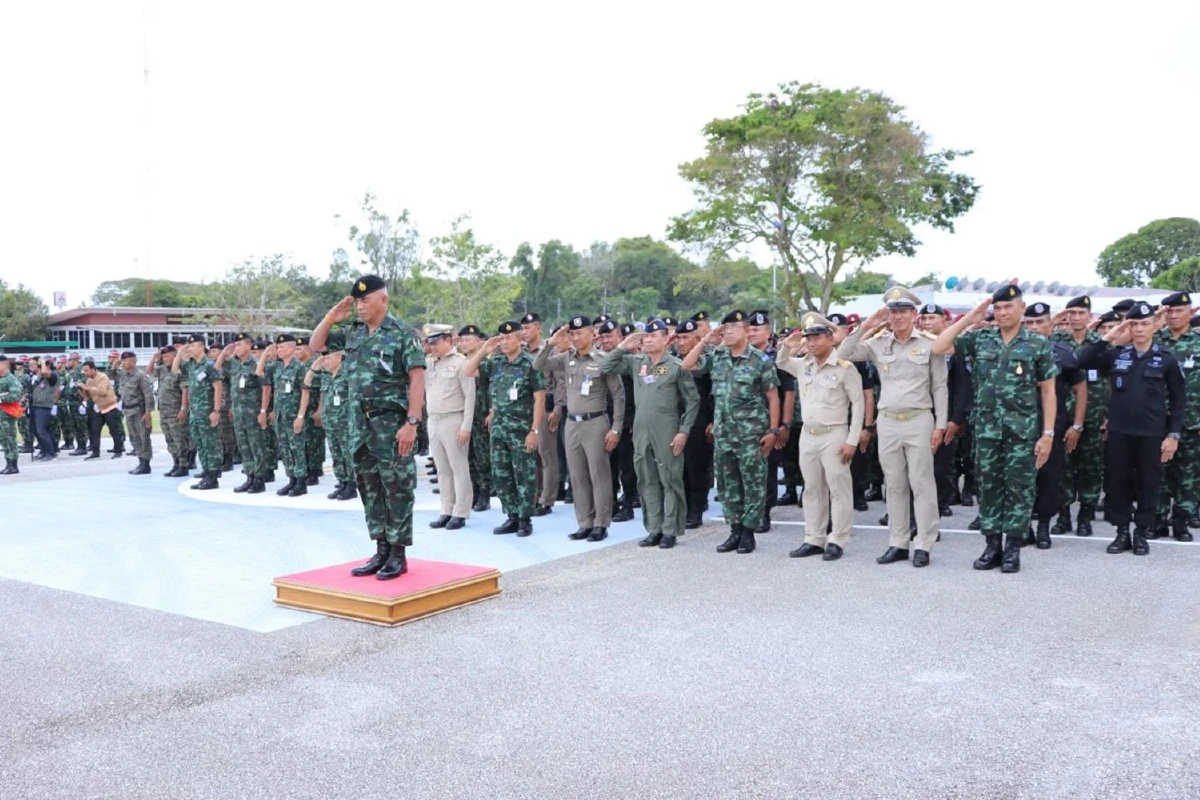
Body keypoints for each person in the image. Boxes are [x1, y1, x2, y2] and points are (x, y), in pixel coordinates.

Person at [932, 284, 1058, 574]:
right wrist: (970, 318)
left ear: (1021, 309)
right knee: (988, 488)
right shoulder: (980, 338)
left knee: (1020, 490)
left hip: (1022, 432)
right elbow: (939, 346)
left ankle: (1013, 549)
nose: (1001, 313)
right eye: (997, 308)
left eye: (1007, 307)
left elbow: (1049, 392)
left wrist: (1047, 434)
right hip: (987, 431)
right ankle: (992, 547)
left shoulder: (1037, 344)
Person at [311, 275, 426, 580]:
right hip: (358, 426)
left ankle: (398, 553)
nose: (360, 307)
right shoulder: (354, 334)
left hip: (391, 425)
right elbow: (315, 345)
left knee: (397, 487)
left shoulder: (403, 334)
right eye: (357, 301)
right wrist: (330, 317)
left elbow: (417, 380)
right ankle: (381, 549)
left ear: (383, 300)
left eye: (365, 300)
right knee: (370, 488)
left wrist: (412, 423)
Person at [839, 286, 948, 566]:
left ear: (914, 314)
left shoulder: (928, 343)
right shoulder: (878, 342)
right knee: (895, 484)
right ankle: (898, 542)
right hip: (888, 421)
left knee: (922, 483)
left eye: (902, 311)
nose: (897, 317)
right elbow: (845, 352)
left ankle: (924, 543)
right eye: (892, 311)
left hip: (919, 419)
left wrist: (941, 424)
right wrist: (868, 324)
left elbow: (939, 386)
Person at [1077, 302, 1185, 555]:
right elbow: (1083, 361)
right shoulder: (1118, 355)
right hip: (1120, 433)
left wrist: (1174, 435)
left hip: (1151, 434)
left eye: (1145, 324)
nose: (1139, 329)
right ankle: (1122, 532)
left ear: (1156, 325)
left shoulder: (1167, 359)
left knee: (1149, 484)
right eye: (1134, 324)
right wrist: (1111, 335)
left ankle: (1141, 533)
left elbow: (1180, 400)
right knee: (1117, 483)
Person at [681, 310, 781, 555]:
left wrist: (773, 431)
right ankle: (734, 530)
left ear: (747, 331)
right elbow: (686, 365)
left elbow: (773, 396)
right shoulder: (718, 356)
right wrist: (705, 340)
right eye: (725, 328)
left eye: (733, 328)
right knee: (727, 486)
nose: (728, 332)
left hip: (751, 435)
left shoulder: (760, 360)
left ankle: (748, 533)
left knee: (753, 484)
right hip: (724, 434)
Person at [599, 319, 699, 548]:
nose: (648, 340)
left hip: (667, 430)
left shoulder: (676, 366)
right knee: (647, 479)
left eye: (654, 336)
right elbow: (605, 366)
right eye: (646, 336)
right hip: (642, 431)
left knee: (670, 480)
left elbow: (692, 402)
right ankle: (654, 528)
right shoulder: (636, 363)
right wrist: (623, 346)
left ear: (666, 339)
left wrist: (683, 431)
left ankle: (670, 530)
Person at [777, 314, 865, 561]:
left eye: (817, 337)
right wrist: (788, 344)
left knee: (839, 489)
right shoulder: (803, 364)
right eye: (809, 338)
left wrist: (852, 440)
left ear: (830, 339)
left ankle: (837, 538)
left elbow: (858, 406)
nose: (812, 343)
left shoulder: (845, 368)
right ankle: (814, 538)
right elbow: (782, 362)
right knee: (812, 489)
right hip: (808, 435)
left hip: (834, 435)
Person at [535, 317, 626, 542]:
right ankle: (584, 522)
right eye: (572, 334)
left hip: (596, 422)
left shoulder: (602, 359)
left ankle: (601, 523)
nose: (575, 338)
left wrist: (616, 428)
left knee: (599, 474)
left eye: (579, 333)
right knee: (577, 476)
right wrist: (550, 342)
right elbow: (537, 365)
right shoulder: (566, 359)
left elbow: (618, 395)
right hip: (572, 424)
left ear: (591, 334)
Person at [464, 321, 545, 537]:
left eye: (509, 338)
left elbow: (539, 400)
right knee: (501, 474)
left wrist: (534, 431)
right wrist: (484, 350)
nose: (504, 341)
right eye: (501, 338)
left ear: (520, 339)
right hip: (498, 429)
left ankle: (525, 519)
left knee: (524, 475)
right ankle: (511, 515)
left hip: (521, 430)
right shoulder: (496, 363)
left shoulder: (530, 364)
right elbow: (468, 370)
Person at [1025, 304, 1086, 549]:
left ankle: (1043, 528)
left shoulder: (1062, 352)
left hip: (1052, 427)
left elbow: (1080, 389)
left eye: (1039, 322)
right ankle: (1024, 527)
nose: (1034, 327)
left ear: (1051, 325)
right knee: (1022, 479)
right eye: (1029, 323)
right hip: (1020, 427)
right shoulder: (1015, 351)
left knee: (1050, 479)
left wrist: (1077, 425)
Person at [1051, 295, 1106, 536]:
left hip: (1093, 416)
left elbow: (1111, 381)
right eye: (1071, 313)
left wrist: (1108, 414)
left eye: (1080, 313)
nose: (1075, 318)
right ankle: (1063, 516)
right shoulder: (1056, 342)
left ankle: (1085, 515)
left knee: (1090, 467)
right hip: (1062, 416)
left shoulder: (1100, 344)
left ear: (1089, 317)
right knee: (1063, 467)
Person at [1152, 291, 1200, 540]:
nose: (1173, 315)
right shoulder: (1155, 341)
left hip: (1193, 420)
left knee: (1187, 475)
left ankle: (1181, 522)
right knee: (1158, 471)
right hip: (1158, 420)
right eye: (1168, 311)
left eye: (1178, 310)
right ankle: (1158, 520)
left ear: (1190, 313)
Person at [919, 304, 972, 516]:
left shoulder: (954, 349)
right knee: (914, 466)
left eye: (932, 318)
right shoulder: (916, 346)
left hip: (944, 417)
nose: (927, 322)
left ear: (944, 322)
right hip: (918, 415)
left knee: (940, 466)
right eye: (924, 318)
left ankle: (939, 504)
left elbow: (962, 386)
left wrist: (956, 419)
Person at [747, 311, 796, 533]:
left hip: (769, 424)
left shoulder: (777, 357)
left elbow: (788, 393)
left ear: (768, 333)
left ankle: (764, 513)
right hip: (744, 424)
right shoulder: (740, 356)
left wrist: (784, 425)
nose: (751, 333)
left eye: (756, 329)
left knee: (767, 470)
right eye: (749, 329)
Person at [423, 324, 476, 530]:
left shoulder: (461, 363)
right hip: (434, 420)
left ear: (448, 340)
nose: (432, 346)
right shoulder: (430, 363)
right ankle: (446, 509)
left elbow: (470, 397)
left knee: (459, 468)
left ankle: (461, 512)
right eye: (430, 342)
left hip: (454, 419)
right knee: (442, 469)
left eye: (436, 342)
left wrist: (466, 427)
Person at [675, 318, 715, 529]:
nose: (681, 342)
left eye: (686, 338)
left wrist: (713, 421)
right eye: (679, 338)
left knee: (697, 468)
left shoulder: (707, 363)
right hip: (675, 422)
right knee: (678, 469)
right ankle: (682, 507)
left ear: (697, 339)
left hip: (700, 424)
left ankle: (696, 509)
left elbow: (715, 394)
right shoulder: (671, 362)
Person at [259, 334, 310, 497]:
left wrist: (301, 416)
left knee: (297, 448)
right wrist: (266, 354)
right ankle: (292, 480)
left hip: (294, 415)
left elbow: (305, 392)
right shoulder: (277, 367)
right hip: (280, 415)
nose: (278, 350)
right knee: (285, 449)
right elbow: (258, 371)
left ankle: (301, 482)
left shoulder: (300, 367)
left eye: (281, 347)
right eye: (277, 347)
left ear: (291, 348)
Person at [217, 334, 269, 494]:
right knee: (244, 446)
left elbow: (266, 388)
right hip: (239, 413)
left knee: (256, 446)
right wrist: (225, 352)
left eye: (239, 345)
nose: (236, 348)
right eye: (235, 345)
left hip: (253, 413)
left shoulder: (256, 364)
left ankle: (259, 479)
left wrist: (263, 411)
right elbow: (217, 369)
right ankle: (250, 477)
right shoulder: (235, 364)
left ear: (248, 346)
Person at [520, 312, 560, 516]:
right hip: (526, 409)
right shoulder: (521, 352)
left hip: (546, 407)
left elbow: (560, 382)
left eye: (528, 328)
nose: (525, 332)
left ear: (539, 328)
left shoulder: (550, 351)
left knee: (546, 454)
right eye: (523, 328)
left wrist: (557, 409)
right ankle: (534, 495)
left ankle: (547, 499)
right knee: (530, 454)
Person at [173, 333, 224, 490]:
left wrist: (216, 410)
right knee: (200, 444)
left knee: (211, 444)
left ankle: (213, 476)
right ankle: (207, 472)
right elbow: (175, 368)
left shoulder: (209, 365)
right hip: (195, 412)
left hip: (207, 411)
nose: (190, 348)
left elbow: (218, 388)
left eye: (193, 345)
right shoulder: (192, 365)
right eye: (189, 345)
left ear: (202, 346)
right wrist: (182, 351)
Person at [313, 334, 355, 501]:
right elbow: (307, 382)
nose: (325, 361)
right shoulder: (326, 375)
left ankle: (351, 485)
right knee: (336, 454)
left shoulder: (348, 374)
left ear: (340, 356)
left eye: (328, 357)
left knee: (347, 454)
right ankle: (342, 482)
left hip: (345, 422)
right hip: (331, 422)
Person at [456, 325, 492, 512]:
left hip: (481, 414)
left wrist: (492, 410)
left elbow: (494, 388)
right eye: (462, 340)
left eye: (468, 340)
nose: (464, 343)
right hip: (463, 416)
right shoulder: (460, 362)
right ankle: (474, 492)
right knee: (467, 456)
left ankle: (485, 493)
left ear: (479, 342)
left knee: (482, 456)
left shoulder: (486, 363)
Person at [148, 346, 192, 477]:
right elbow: (149, 372)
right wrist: (153, 360)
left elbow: (185, 390)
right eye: (163, 356)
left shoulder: (181, 369)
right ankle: (176, 463)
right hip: (164, 411)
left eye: (167, 356)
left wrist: (183, 409)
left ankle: (184, 465)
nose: (165, 359)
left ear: (175, 356)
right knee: (169, 439)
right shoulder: (162, 370)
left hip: (175, 410)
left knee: (179, 438)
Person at [116, 351, 156, 475]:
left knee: (143, 437)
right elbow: (110, 374)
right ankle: (140, 461)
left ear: (133, 362)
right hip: (128, 410)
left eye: (125, 361)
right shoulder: (123, 374)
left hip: (139, 411)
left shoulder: (140, 376)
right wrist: (114, 365)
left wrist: (148, 412)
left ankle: (146, 464)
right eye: (122, 361)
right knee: (134, 437)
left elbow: (148, 395)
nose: (122, 363)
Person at [77, 360, 125, 461]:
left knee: (113, 430)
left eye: (87, 370)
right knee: (94, 430)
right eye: (84, 371)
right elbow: (88, 396)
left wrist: (87, 388)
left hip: (110, 406)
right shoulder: (89, 380)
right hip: (99, 408)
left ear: (93, 369)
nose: (85, 373)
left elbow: (102, 392)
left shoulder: (103, 377)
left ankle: (118, 450)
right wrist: (82, 390)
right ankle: (95, 452)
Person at [30, 361, 60, 460]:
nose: (31, 367)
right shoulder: (38, 378)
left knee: (42, 430)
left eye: (33, 365)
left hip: (44, 406)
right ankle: (44, 450)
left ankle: (51, 453)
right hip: (35, 405)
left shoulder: (52, 376)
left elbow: (45, 372)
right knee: (36, 430)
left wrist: (42, 361)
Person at [0, 356, 22, 474]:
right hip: (1, 414)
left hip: (7, 413)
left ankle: (13, 465)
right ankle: (8, 463)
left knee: (10, 439)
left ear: (4, 364)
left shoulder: (10, 378)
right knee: (3, 439)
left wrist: (1, 398)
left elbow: (16, 395)